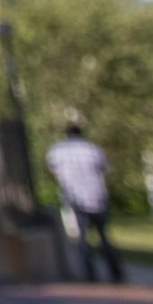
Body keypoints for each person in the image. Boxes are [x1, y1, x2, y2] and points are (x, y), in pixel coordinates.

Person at [46, 121, 125, 283]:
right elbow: (104, 170)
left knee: (82, 238)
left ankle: (89, 273)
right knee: (104, 235)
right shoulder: (93, 149)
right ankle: (115, 271)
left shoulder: (57, 151)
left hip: (75, 197)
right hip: (97, 196)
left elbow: (54, 174)